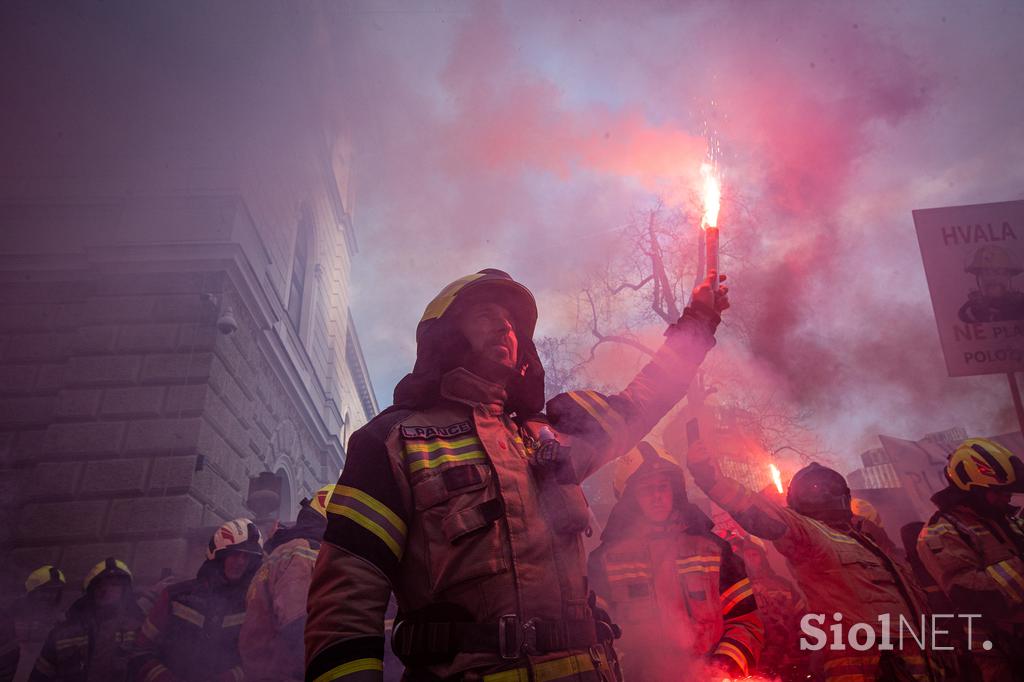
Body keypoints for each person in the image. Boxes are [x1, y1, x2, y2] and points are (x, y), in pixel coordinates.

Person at [305, 268, 728, 682]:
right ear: (446, 335)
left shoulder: (548, 435)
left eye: (510, 324)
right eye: (486, 316)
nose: (504, 329)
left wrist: (698, 322)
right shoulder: (393, 442)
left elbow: (638, 404)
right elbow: (346, 604)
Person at [688, 442, 952, 681]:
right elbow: (759, 513)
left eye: (827, 489)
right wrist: (711, 479)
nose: (823, 494)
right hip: (871, 670)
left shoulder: (870, 545)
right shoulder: (811, 535)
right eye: (816, 490)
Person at [587, 442, 762, 680]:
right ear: (630, 499)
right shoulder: (605, 562)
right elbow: (597, 638)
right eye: (647, 489)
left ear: (676, 492)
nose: (657, 497)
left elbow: (747, 622)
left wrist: (722, 668)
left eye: (663, 487)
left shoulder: (713, 550)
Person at [917, 438, 1024, 681]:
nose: (1006, 498)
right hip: (999, 655)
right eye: (997, 491)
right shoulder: (940, 532)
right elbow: (970, 591)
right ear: (971, 488)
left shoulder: (1007, 519)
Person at [132, 518, 263, 682]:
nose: (241, 562)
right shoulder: (176, 596)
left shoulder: (250, 604)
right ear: (219, 556)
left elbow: (258, 659)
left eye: (247, 557)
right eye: (235, 554)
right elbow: (140, 650)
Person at [240, 485, 333, 682]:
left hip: (268, 669)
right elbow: (296, 623)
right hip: (286, 673)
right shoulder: (303, 551)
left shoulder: (288, 549)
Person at [30, 558, 142, 681]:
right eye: (100, 585)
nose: (106, 590)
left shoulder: (139, 629)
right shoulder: (63, 633)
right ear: (91, 591)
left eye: (114, 585)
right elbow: (39, 677)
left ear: (125, 591)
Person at [727, 533, 809, 681]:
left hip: (787, 661)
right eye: (746, 555)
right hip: (755, 662)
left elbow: (803, 618)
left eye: (754, 554)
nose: (750, 559)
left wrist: (802, 648)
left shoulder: (783, 586)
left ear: (763, 558)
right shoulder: (739, 590)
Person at [10, 566, 66, 682]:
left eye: (55, 591)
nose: (50, 596)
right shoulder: (11, 615)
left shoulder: (61, 620)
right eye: (45, 590)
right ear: (33, 590)